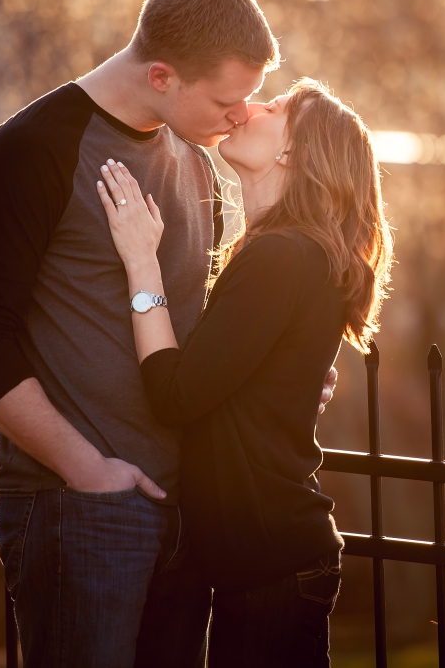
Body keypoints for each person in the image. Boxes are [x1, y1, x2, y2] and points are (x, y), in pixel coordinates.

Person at [0, 0, 336, 667]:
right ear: (161, 75)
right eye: (225, 100)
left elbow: (203, 326)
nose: (239, 115)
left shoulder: (200, 164)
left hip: (187, 513)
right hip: (80, 509)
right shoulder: (34, 150)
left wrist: (280, 365)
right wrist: (86, 468)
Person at [94, 77, 392, 667]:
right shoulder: (284, 251)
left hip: (271, 566)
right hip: (259, 562)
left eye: (275, 106)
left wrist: (140, 263)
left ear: (295, 152)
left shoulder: (282, 256)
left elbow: (176, 395)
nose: (248, 107)